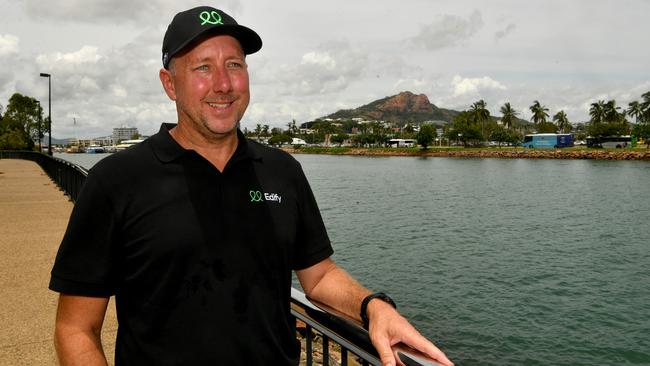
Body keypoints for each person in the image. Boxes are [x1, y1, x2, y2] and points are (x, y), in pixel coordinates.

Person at [49, 6, 453, 366]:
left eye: (235, 65)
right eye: (202, 68)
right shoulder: (116, 180)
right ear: (170, 84)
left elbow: (318, 276)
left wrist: (372, 308)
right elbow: (75, 329)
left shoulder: (283, 171)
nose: (223, 84)